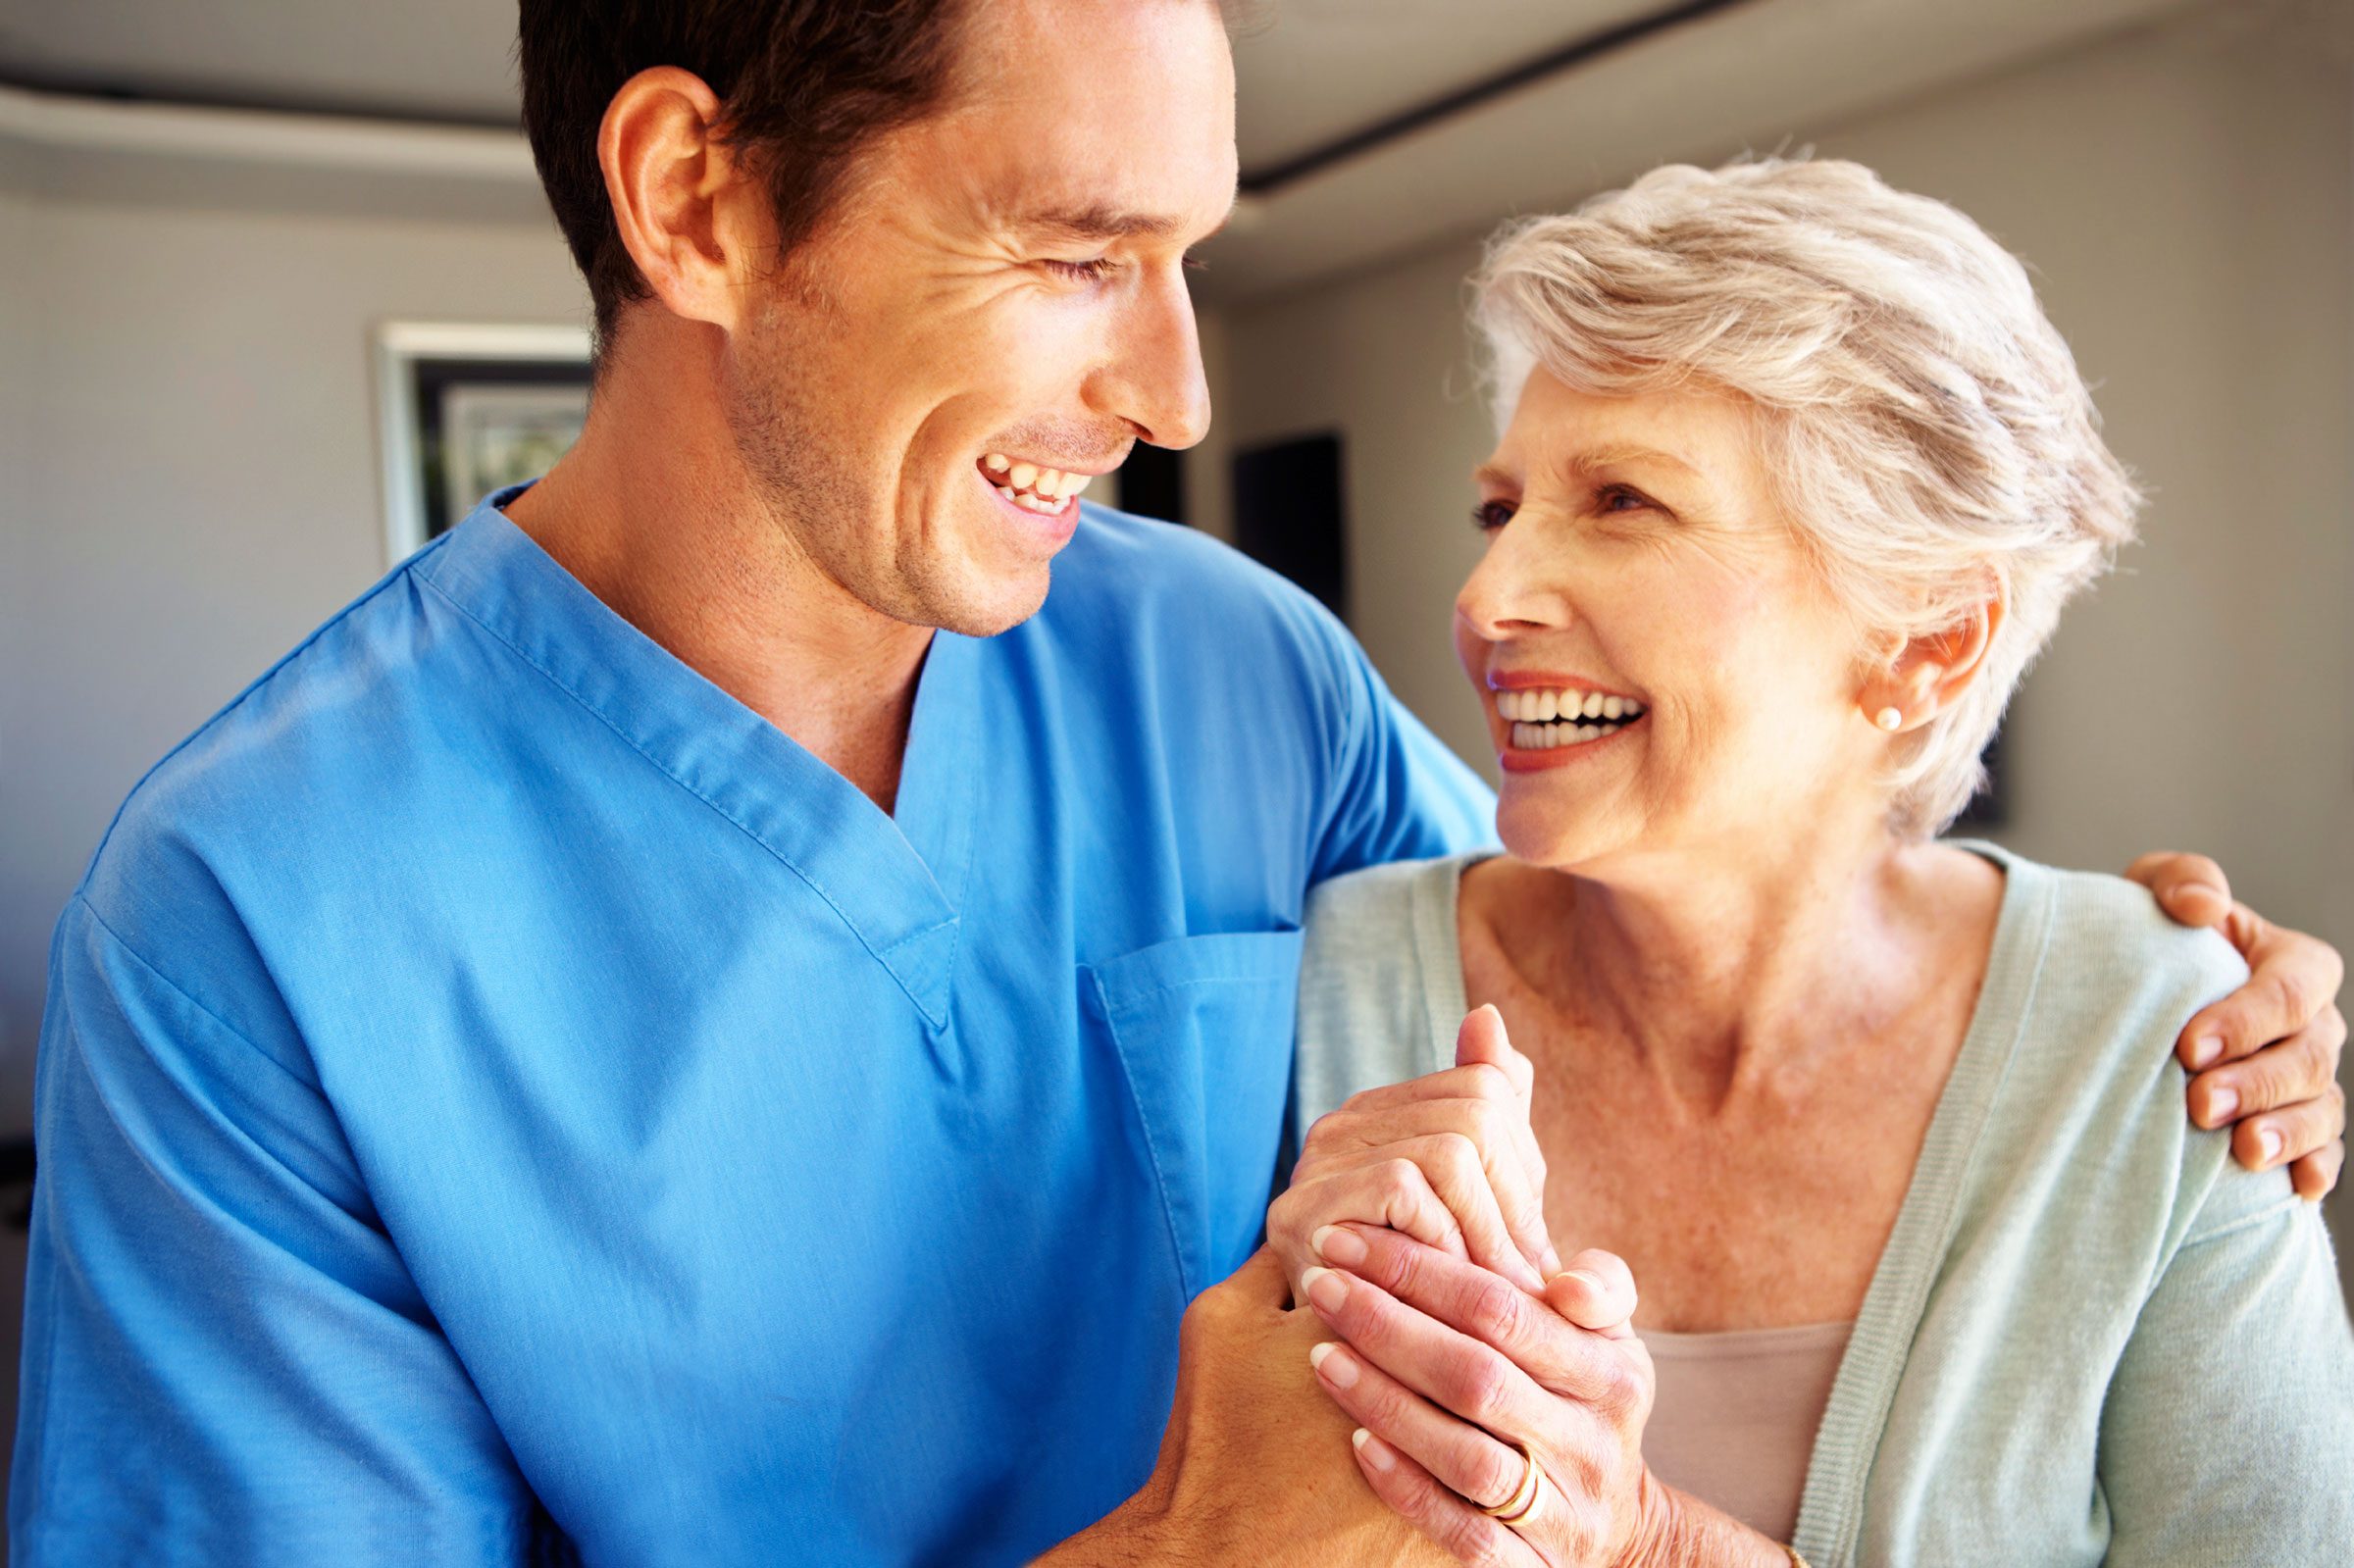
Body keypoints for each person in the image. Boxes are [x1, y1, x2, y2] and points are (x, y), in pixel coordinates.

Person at [8, 3, 2343, 1562]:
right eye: (1078, 248)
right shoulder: (253, 926)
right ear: (695, 198)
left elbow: (1638, 918)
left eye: (1191, 256)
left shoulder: (1232, 668)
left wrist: (2113, 972)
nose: (1181, 385)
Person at [1271, 160, 2354, 1567]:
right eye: (1503, 506)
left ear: (1924, 641)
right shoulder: (1314, 989)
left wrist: (1658, 1545)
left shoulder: (2174, 1044)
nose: (1487, 599)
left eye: (1622, 504)